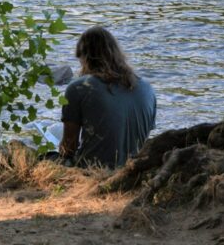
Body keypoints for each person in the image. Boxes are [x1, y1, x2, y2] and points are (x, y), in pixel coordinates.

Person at [59, 26, 156, 168]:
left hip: (93, 170)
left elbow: (69, 147)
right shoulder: (148, 89)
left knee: (48, 158)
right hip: (134, 169)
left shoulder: (79, 87)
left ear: (85, 58)